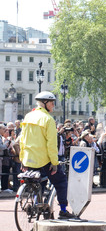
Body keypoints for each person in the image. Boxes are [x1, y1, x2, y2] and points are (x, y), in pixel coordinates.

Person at [19, 91, 76, 220]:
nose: (53, 106)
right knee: (61, 182)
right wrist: (54, 163)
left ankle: (36, 203)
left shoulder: (28, 116)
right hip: (43, 159)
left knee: (38, 182)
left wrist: (23, 159)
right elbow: (51, 144)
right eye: (51, 103)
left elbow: (22, 140)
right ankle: (63, 210)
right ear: (44, 104)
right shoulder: (48, 120)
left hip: (29, 159)